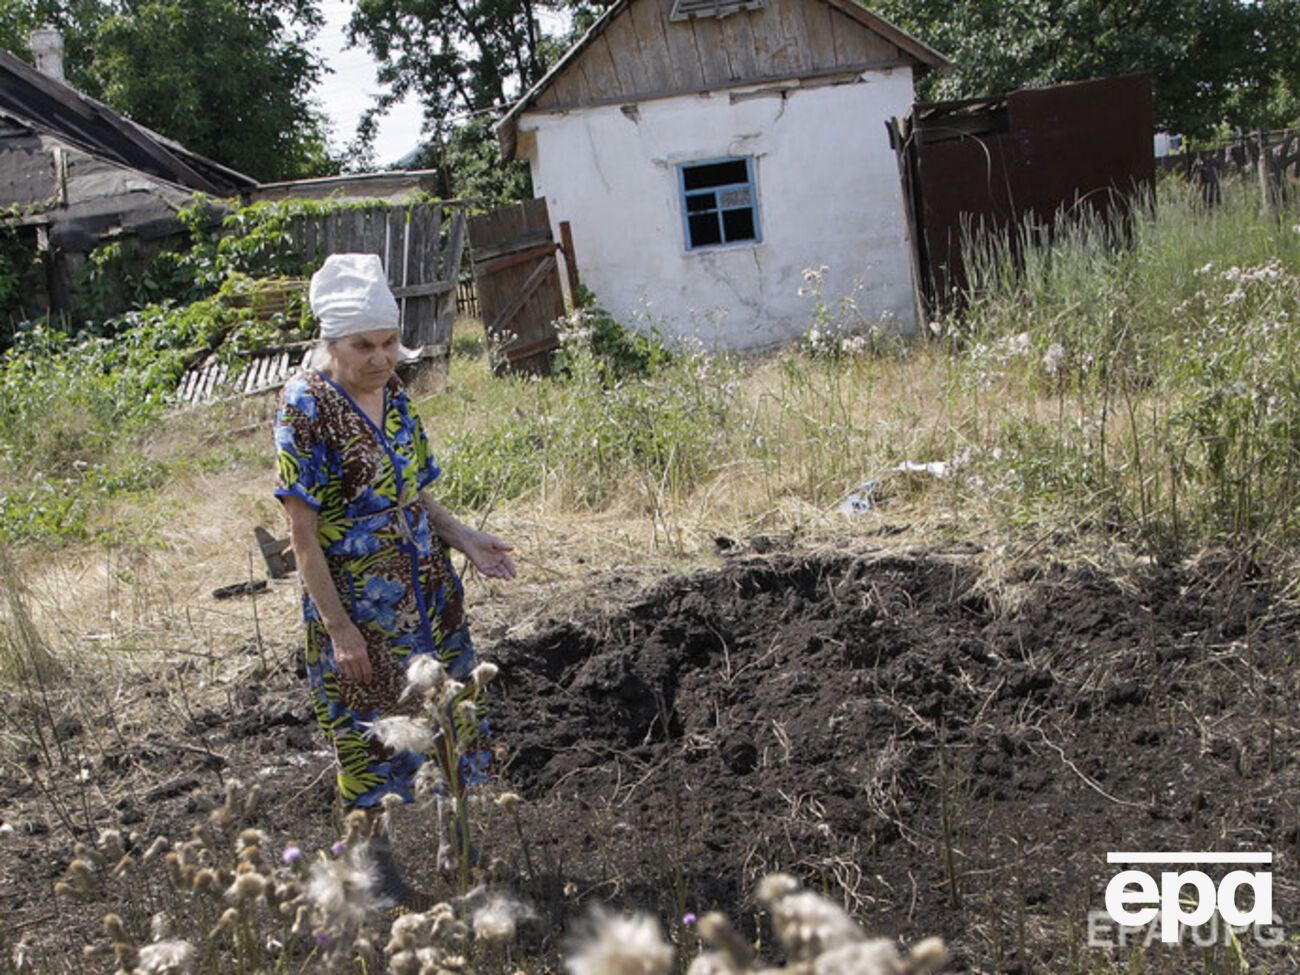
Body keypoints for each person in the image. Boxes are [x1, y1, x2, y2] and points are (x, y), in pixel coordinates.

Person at [273, 253, 516, 909]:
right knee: (370, 735)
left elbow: (414, 492)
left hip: (429, 594)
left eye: (389, 342)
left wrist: (464, 537)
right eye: (364, 346)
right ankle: (375, 875)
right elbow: (301, 534)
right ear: (331, 341)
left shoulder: (394, 392)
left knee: (451, 719)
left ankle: (458, 851)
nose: (381, 357)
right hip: (361, 608)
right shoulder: (306, 407)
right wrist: (339, 629)